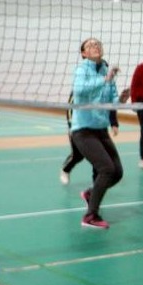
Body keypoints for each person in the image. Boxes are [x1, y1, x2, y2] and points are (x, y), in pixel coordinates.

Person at [72, 38, 126, 229]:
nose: (96, 46)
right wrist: (104, 80)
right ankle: (90, 216)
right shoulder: (82, 70)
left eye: (98, 44)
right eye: (91, 45)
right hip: (83, 130)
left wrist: (122, 100)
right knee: (106, 169)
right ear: (84, 53)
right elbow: (79, 91)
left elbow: (112, 100)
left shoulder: (106, 70)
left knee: (117, 172)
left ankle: (90, 193)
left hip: (101, 129)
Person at [60, 47, 119, 185]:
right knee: (78, 155)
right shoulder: (82, 83)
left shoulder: (106, 82)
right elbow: (71, 107)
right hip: (80, 126)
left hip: (97, 125)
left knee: (100, 157)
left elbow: (109, 103)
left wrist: (114, 122)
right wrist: (72, 126)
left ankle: (95, 185)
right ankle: (66, 169)